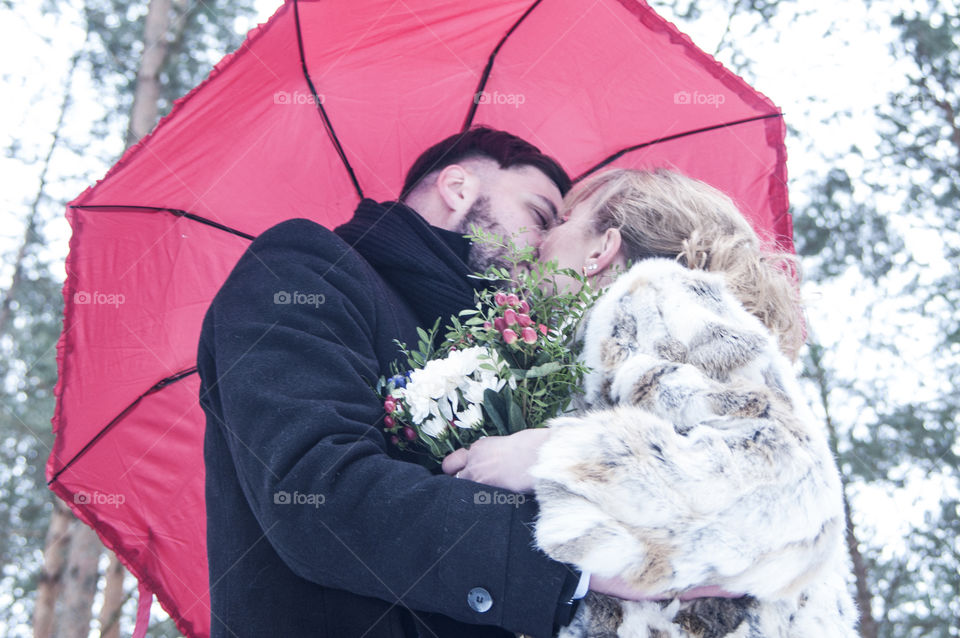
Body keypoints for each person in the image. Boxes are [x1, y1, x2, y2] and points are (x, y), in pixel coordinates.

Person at [197, 128, 658, 638]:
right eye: (539, 216)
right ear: (458, 188)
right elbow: (318, 493)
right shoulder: (305, 269)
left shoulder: (524, 350)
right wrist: (579, 562)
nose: (547, 243)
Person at [443, 168, 859, 637]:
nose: (540, 240)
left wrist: (547, 457)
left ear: (601, 250)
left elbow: (785, 483)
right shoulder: (585, 349)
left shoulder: (655, 298)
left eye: (562, 221)